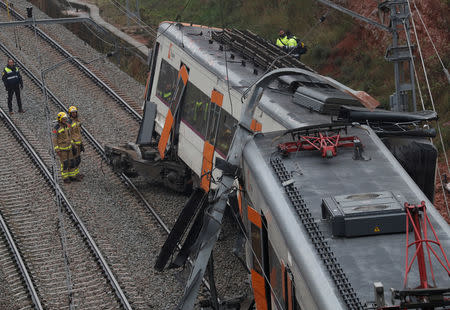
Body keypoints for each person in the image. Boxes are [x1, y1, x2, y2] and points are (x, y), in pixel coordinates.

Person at [53, 112, 74, 183]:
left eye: (65, 119)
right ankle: (65, 178)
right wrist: (57, 149)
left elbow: (69, 135)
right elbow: (55, 139)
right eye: (63, 119)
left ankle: (72, 176)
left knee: (71, 162)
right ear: (60, 119)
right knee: (64, 164)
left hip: (69, 147)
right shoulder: (56, 128)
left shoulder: (67, 125)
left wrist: (72, 144)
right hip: (62, 149)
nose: (65, 120)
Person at [68, 106, 84, 180]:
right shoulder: (69, 123)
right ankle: (72, 176)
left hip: (78, 143)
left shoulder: (77, 121)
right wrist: (72, 145)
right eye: (72, 113)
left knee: (78, 160)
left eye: (75, 112)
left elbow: (78, 133)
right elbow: (68, 134)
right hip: (74, 144)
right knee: (73, 161)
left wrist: (81, 143)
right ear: (70, 114)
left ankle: (76, 174)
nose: (74, 114)